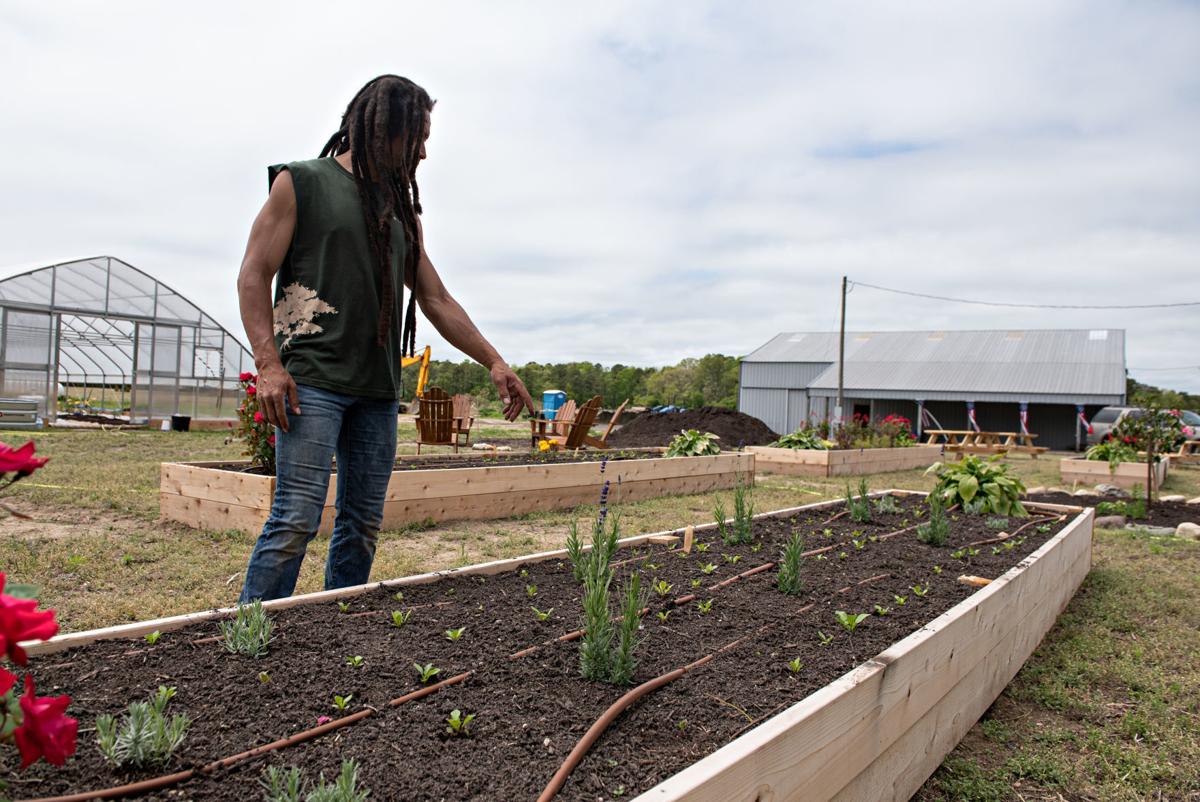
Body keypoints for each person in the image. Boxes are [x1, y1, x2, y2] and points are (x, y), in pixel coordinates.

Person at [235, 75, 534, 602]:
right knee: (295, 520)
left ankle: (339, 629)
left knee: (362, 524)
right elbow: (254, 273)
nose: (422, 150)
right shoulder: (301, 182)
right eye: (415, 135)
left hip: (376, 393)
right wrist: (268, 365)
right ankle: (253, 634)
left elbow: (436, 299)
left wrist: (495, 361)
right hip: (312, 384)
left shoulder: (399, 210)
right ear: (379, 128)